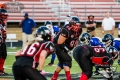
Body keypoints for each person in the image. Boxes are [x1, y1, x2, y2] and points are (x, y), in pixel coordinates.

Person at [0, 7, 9, 76]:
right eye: (3, 15)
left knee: (4, 55)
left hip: (2, 41)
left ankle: (1, 70)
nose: (5, 17)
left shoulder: (3, 23)